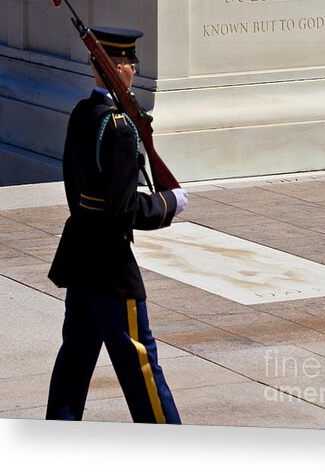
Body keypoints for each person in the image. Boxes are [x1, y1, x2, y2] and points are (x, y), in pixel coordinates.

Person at [46, 26, 187, 424]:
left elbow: (76, 189)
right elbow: (126, 210)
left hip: (80, 256)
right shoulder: (120, 129)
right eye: (128, 62)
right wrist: (168, 203)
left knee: (74, 361)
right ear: (116, 68)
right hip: (110, 266)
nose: (133, 67)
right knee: (141, 362)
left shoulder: (81, 114)